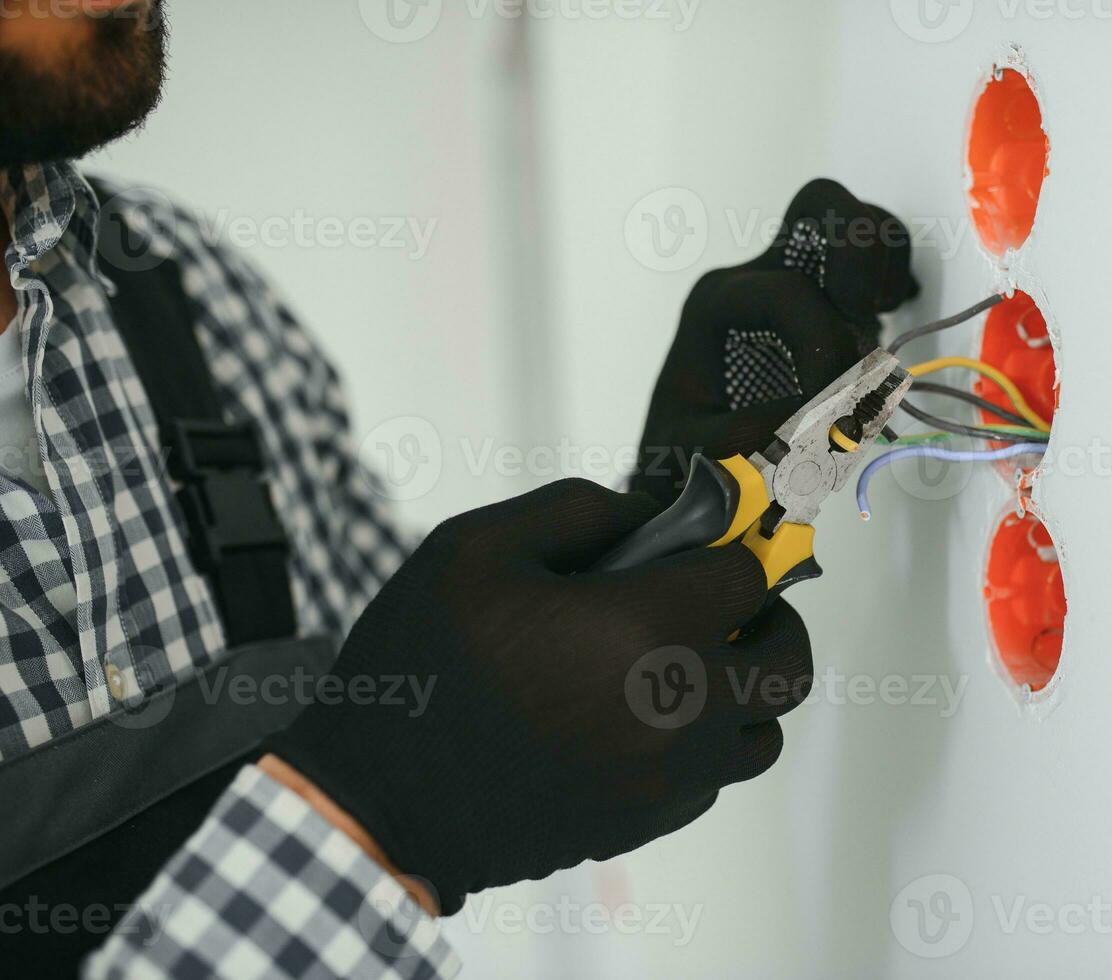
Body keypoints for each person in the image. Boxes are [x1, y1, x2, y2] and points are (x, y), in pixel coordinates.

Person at [0, 1, 919, 976]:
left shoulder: (175, 286)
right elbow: (401, 767)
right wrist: (377, 818)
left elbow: (420, 692)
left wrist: (657, 544)